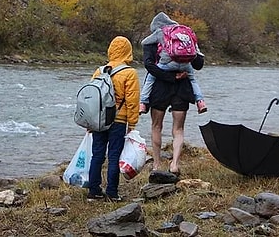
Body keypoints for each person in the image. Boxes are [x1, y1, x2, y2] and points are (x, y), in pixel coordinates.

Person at [142, 12, 205, 174]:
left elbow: (149, 65)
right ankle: (174, 164)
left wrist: (169, 77)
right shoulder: (185, 38)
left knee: (156, 126)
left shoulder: (155, 38)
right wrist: (180, 74)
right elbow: (199, 64)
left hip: (160, 87)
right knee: (179, 129)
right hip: (183, 87)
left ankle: (156, 165)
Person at [87, 36, 140, 202]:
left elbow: (91, 98)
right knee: (114, 155)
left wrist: (90, 121)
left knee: (97, 155)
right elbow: (132, 101)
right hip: (118, 120)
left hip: (99, 120)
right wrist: (132, 124)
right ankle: (112, 192)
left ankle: (93, 191)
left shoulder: (99, 71)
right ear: (128, 52)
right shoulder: (130, 73)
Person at [139, 12, 207, 115]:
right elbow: (199, 63)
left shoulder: (159, 33)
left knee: (150, 78)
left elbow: (149, 64)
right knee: (193, 80)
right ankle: (200, 102)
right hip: (184, 79)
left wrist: (172, 76)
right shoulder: (185, 32)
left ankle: (143, 103)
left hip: (161, 83)